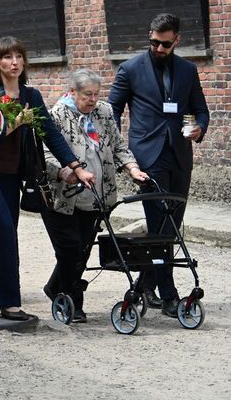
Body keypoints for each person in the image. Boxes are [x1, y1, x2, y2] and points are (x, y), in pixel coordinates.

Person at [0, 36, 94, 321]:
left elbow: (50, 134)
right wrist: (17, 121)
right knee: (3, 232)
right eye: (8, 57)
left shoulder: (31, 96)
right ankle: (9, 303)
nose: (14, 62)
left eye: (19, 56)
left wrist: (76, 167)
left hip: (9, 175)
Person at [108, 13, 210, 317]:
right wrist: (120, 151)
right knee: (160, 224)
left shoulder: (188, 70)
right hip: (147, 157)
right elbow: (111, 112)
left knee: (171, 225)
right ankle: (168, 295)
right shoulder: (130, 69)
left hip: (180, 155)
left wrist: (199, 128)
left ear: (176, 40)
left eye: (165, 44)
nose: (159, 48)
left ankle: (143, 285)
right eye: (154, 42)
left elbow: (200, 110)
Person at [42, 69, 148, 323]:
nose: (92, 100)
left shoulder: (104, 112)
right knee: (69, 249)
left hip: (97, 194)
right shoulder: (56, 116)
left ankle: (56, 288)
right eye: (87, 95)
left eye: (96, 94)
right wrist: (65, 172)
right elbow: (45, 154)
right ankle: (72, 301)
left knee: (83, 248)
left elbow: (118, 145)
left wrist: (132, 168)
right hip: (63, 196)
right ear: (72, 92)